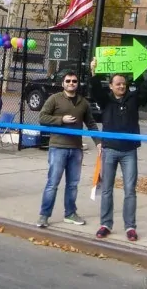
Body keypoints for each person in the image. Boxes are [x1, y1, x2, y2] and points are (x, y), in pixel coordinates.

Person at [90, 55, 147, 241]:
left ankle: (130, 226)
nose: (121, 86)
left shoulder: (133, 99)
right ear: (112, 86)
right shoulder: (106, 101)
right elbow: (95, 89)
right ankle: (105, 224)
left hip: (129, 151)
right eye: (117, 84)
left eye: (123, 83)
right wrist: (93, 72)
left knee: (130, 190)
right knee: (107, 189)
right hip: (110, 150)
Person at [36, 71, 100, 228]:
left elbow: (91, 123)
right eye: (68, 81)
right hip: (58, 147)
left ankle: (70, 213)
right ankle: (44, 215)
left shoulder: (83, 102)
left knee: (73, 184)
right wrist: (60, 119)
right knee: (53, 183)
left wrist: (98, 142)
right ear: (63, 83)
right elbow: (42, 118)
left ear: (78, 83)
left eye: (74, 81)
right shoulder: (54, 99)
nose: (71, 83)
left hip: (76, 149)